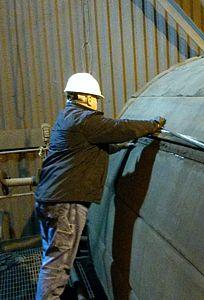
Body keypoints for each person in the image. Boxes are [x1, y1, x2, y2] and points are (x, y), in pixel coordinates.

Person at [34, 73, 165, 299]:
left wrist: (122, 146)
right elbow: (117, 127)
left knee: (51, 257)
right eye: (95, 98)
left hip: (49, 198)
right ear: (85, 97)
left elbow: (89, 149)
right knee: (57, 267)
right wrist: (151, 126)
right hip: (66, 202)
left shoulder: (67, 117)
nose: (97, 103)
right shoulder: (84, 119)